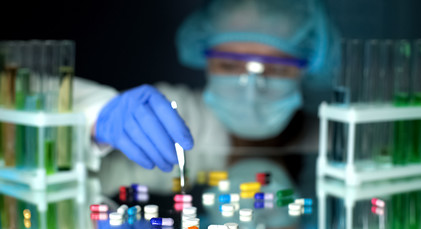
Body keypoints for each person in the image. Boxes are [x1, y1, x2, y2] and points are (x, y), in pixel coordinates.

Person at [75, 0, 340, 195]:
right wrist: (93, 120)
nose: (251, 88)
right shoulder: (165, 115)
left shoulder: (334, 139)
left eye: (277, 68)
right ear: (205, 61)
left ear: (310, 66)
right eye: (229, 65)